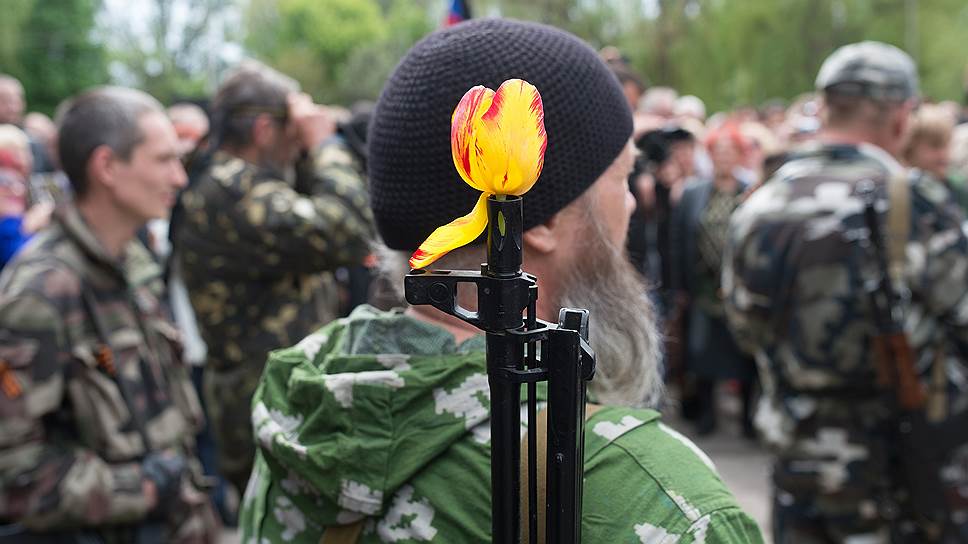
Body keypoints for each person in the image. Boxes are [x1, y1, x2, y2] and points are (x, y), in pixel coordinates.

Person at [239, 19, 764, 543]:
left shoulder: (302, 408)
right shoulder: (657, 499)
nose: (630, 202)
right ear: (537, 221)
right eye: (622, 176)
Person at [724, 41, 968, 542]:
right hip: (895, 470)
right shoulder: (912, 200)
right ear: (902, 117)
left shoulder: (759, 205)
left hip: (797, 461)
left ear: (825, 105)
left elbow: (746, 329)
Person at [0, 86, 219, 542]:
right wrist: (141, 488)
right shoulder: (39, 293)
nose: (179, 178)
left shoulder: (134, 266)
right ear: (107, 167)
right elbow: (16, 473)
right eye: (162, 160)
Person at [172, 65, 374, 496]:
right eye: (292, 127)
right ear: (264, 130)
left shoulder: (238, 181)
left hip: (275, 394)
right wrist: (324, 144)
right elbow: (352, 230)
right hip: (267, 402)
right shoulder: (234, 190)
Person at [671, 123, 758, 438]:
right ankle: (707, 415)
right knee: (702, 350)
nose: (723, 157)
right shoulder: (694, 193)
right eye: (717, 152)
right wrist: (679, 285)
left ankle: (748, 418)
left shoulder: (751, 191)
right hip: (704, 286)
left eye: (730, 151)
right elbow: (679, 240)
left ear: (740, 155)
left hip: (741, 287)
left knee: (744, 352)